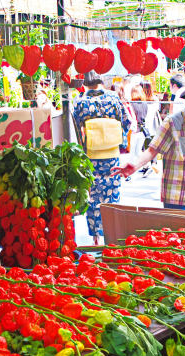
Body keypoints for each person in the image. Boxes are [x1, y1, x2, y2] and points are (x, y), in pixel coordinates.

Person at [112, 75, 185, 211]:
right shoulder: (173, 122)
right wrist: (135, 165)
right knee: (174, 232)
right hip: (176, 197)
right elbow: (152, 150)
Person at [72, 71, 131, 245]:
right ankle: (111, 235)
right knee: (112, 194)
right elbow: (127, 122)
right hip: (111, 154)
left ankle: (95, 238)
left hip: (90, 154)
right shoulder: (113, 99)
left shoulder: (80, 101)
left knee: (93, 196)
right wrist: (119, 140)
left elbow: (75, 127)